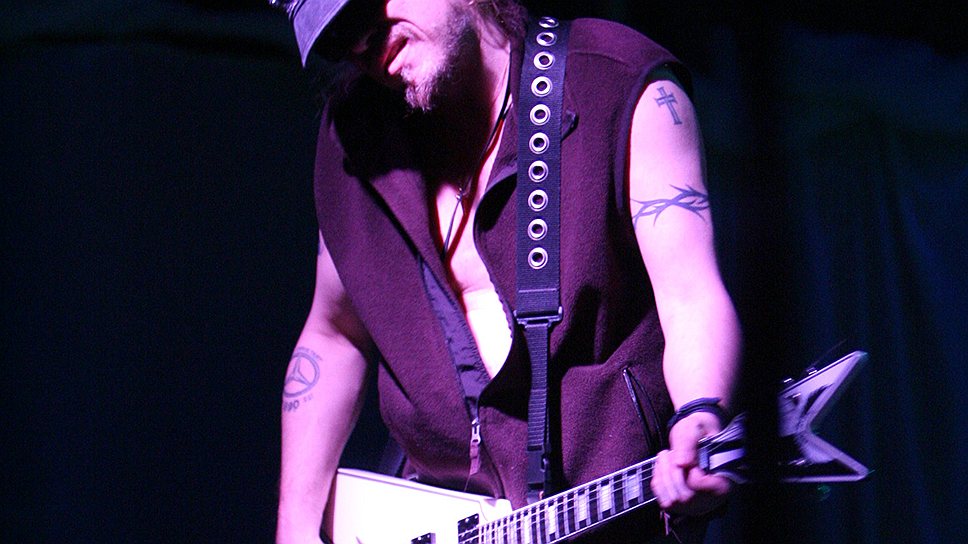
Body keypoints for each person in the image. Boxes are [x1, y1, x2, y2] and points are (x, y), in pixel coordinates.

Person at [273, 1, 741, 542]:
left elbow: (689, 294)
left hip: (608, 520)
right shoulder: (354, 138)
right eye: (339, 37)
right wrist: (295, 523)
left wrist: (700, 416)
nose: (361, 44)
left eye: (363, 6)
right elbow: (334, 332)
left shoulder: (615, 82)